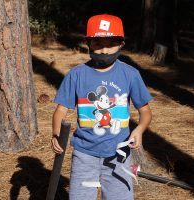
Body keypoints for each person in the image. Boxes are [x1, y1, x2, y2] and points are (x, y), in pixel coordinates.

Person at [51, 14, 152, 200]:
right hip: (84, 154)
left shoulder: (130, 74)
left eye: (110, 44)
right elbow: (61, 110)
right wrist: (56, 134)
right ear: (88, 43)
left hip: (119, 154)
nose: (104, 50)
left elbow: (145, 111)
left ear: (121, 44)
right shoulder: (76, 75)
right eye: (98, 44)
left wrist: (139, 130)